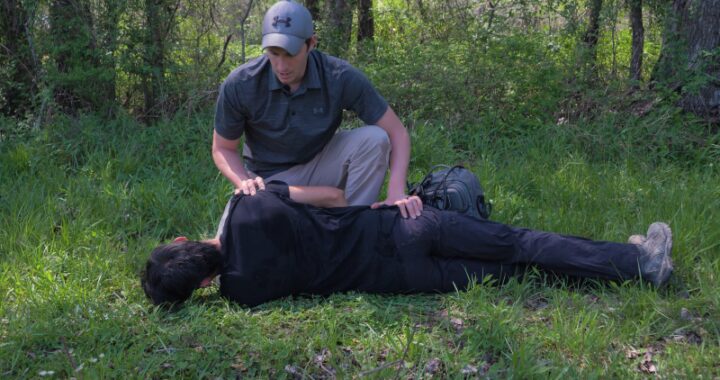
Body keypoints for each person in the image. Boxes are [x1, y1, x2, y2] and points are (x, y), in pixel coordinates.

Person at [141, 182, 674, 307]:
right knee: (517, 243)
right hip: (402, 228)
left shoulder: (239, 294)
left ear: (203, 284)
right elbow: (331, 194)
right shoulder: (249, 202)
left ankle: (625, 269)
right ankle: (636, 261)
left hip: (399, 281)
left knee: (513, 272)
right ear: (182, 240)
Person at [212, 0, 422, 219]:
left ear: (311, 44)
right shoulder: (241, 83)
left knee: (375, 138)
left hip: (321, 164)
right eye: (274, 53)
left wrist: (397, 191)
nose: (281, 66)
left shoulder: (339, 76)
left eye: (290, 54)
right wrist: (243, 181)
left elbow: (397, 133)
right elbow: (223, 148)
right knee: (230, 243)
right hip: (267, 182)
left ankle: (353, 225)